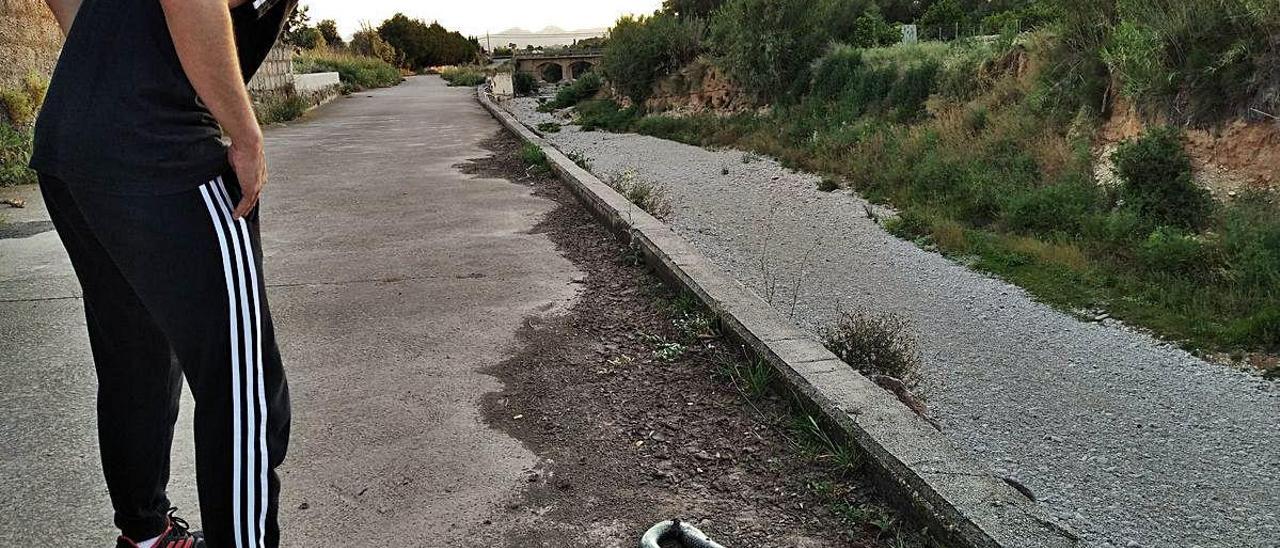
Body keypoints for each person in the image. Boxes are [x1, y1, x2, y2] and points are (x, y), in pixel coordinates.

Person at [32, 0, 297, 546]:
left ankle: (146, 534)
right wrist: (245, 135)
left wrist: (109, 58)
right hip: (162, 150)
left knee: (137, 357)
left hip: (74, 147)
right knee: (241, 385)